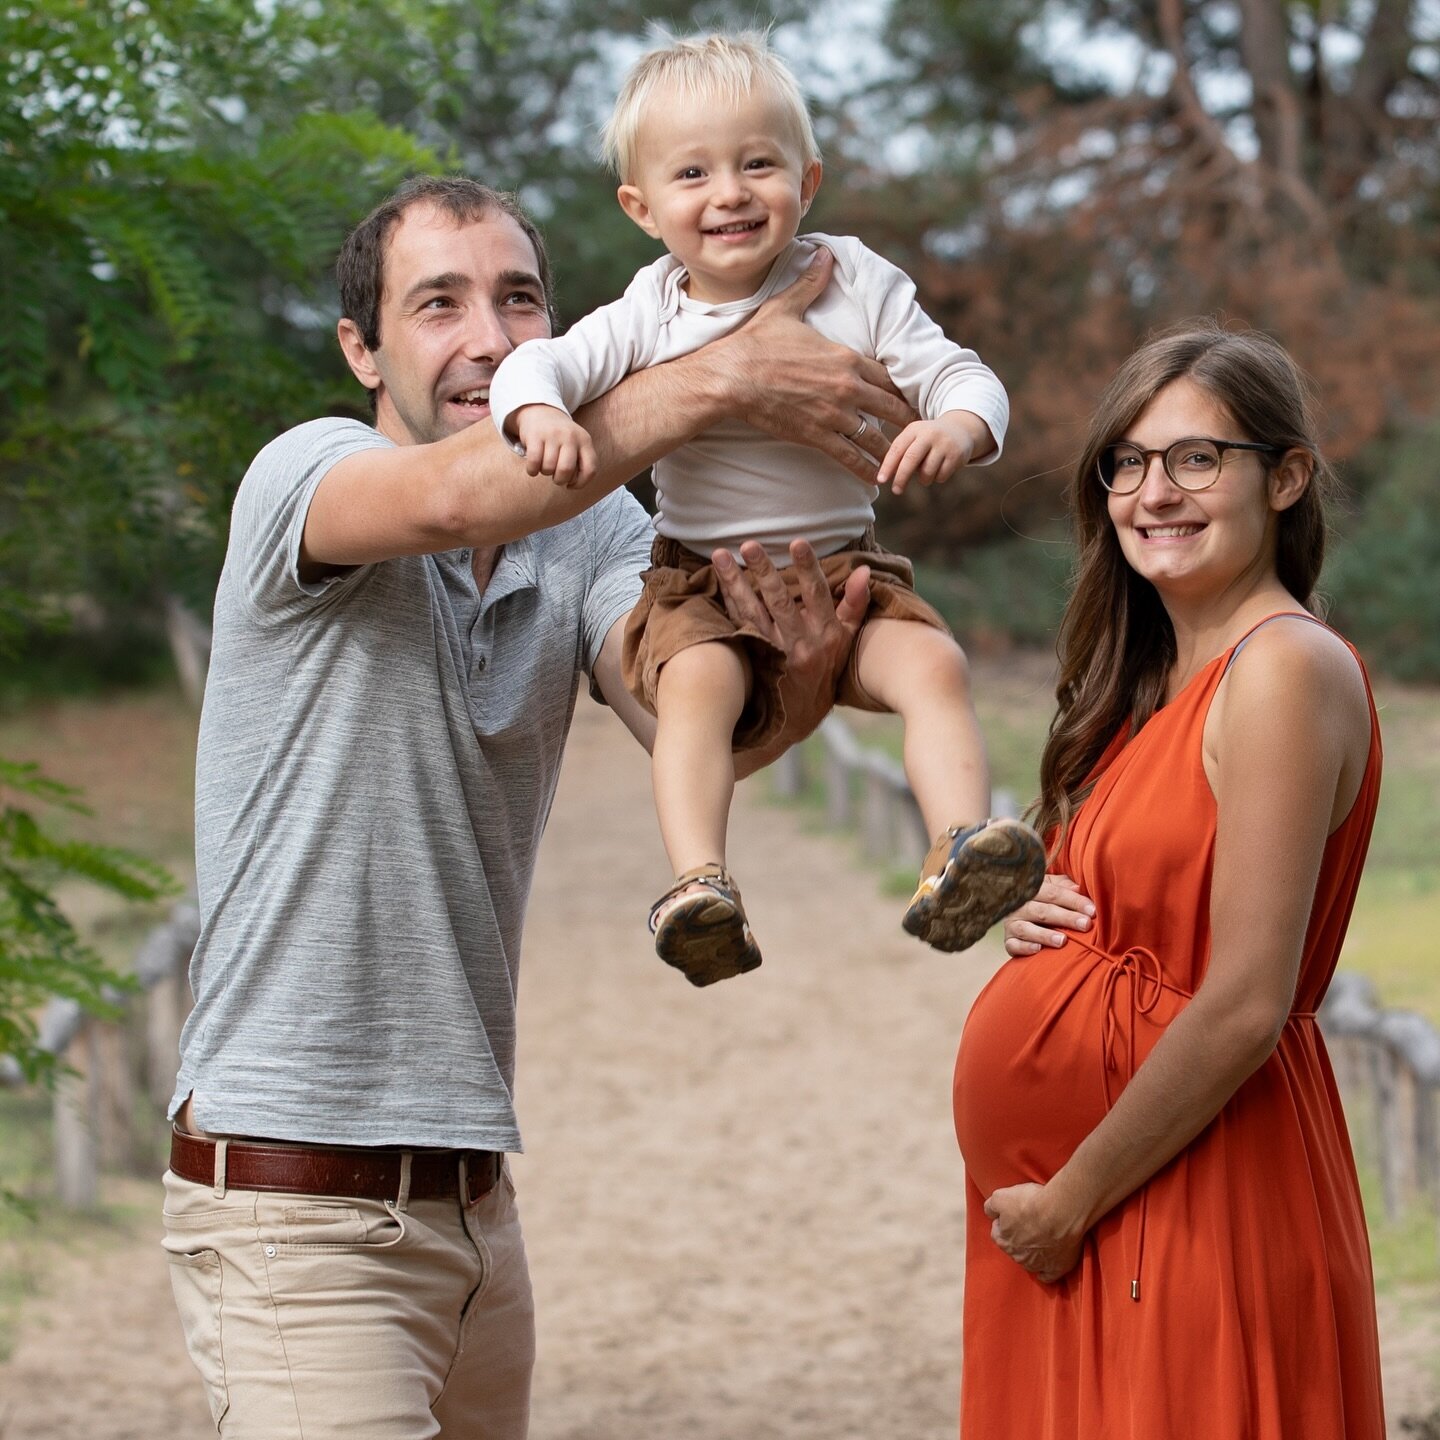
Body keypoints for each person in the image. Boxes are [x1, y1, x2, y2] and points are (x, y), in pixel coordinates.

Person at [159, 173, 924, 1439]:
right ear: (363, 347)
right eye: (439, 304)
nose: (493, 339)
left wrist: (797, 678)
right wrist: (723, 370)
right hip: (293, 1207)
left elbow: (701, 731)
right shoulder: (306, 474)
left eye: (521, 300)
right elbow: (467, 491)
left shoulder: (587, 534)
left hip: (476, 1207)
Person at [488, 32, 1045, 987]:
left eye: (758, 163)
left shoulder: (857, 280)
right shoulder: (650, 309)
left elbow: (965, 374)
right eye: (693, 172)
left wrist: (958, 425)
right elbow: (543, 363)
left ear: (808, 177)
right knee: (698, 689)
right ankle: (699, 882)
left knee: (935, 664)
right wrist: (536, 413)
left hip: (847, 572)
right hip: (702, 581)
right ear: (642, 205)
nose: (731, 192)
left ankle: (961, 848)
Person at [952, 320, 1385, 1438]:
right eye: (1128, 462)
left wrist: (1070, 1201)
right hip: (1106, 1207)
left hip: (1189, 1194)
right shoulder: (1154, 686)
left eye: (1199, 458)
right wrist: (1052, 923)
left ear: (1286, 477)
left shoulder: (1282, 667)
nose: (1156, 491)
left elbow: (1244, 1001)